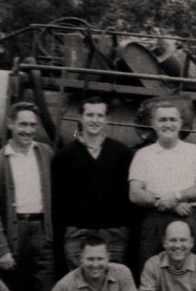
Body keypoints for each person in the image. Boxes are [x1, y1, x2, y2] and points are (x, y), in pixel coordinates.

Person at [0, 101, 55, 291]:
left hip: (41, 231)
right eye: (22, 124)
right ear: (10, 124)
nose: (28, 130)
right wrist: (2, 249)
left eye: (32, 125)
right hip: (15, 234)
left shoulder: (45, 153)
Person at [51, 96, 134, 270]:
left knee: (112, 284)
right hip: (77, 235)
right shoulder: (63, 157)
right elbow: (58, 202)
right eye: (90, 115)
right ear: (80, 117)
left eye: (99, 115)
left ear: (107, 119)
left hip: (114, 235)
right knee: (77, 285)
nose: (95, 120)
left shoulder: (124, 154)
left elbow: (129, 198)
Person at [129, 98, 196, 265]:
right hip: (154, 221)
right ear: (153, 124)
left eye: (173, 119)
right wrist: (171, 203)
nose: (168, 124)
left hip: (188, 217)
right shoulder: (143, 155)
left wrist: (176, 196)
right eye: (162, 120)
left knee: (192, 272)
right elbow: (135, 193)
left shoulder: (194, 152)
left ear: (181, 123)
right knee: (152, 271)